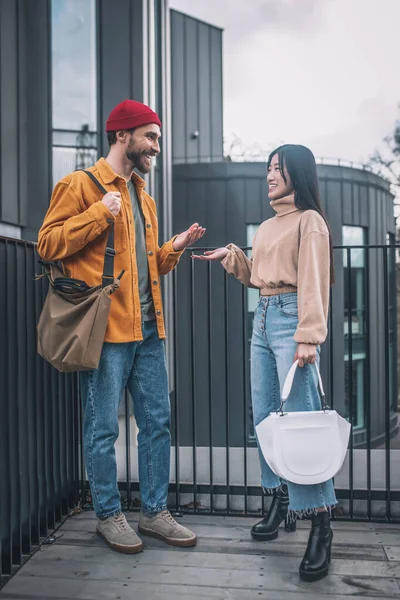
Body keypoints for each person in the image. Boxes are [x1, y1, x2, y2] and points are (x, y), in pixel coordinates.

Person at [37, 99, 205, 554]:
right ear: (122, 136)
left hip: (148, 332)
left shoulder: (144, 199)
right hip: (106, 332)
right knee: (102, 429)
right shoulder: (80, 185)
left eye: (157, 138)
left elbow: (150, 266)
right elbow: (47, 244)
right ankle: (109, 516)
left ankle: (153, 513)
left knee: (157, 423)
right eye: (150, 136)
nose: (155, 146)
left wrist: (175, 246)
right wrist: (98, 214)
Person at [193, 144, 337, 581]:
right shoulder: (272, 225)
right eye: (269, 168)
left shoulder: (310, 222)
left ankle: (321, 523)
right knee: (266, 418)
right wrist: (232, 257)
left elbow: (313, 280)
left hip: (292, 319)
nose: (271, 175)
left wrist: (309, 336)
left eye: (278, 169)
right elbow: (259, 275)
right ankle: (280, 500)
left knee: (300, 418)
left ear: (298, 174)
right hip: (264, 317)